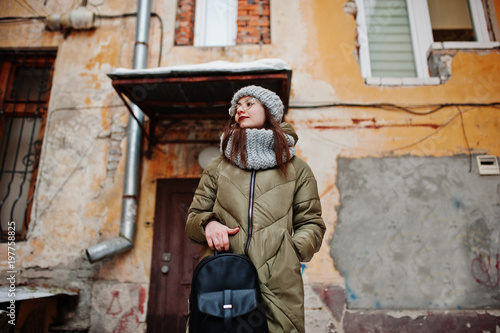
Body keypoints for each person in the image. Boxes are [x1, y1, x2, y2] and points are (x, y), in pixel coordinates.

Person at [186, 85, 326, 333]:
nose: (240, 109)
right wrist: (209, 223)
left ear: (269, 111)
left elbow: (311, 223)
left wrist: (289, 252)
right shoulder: (218, 167)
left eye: (249, 103)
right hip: (224, 279)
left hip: (278, 282)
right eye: (237, 106)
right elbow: (193, 218)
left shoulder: (297, 169)